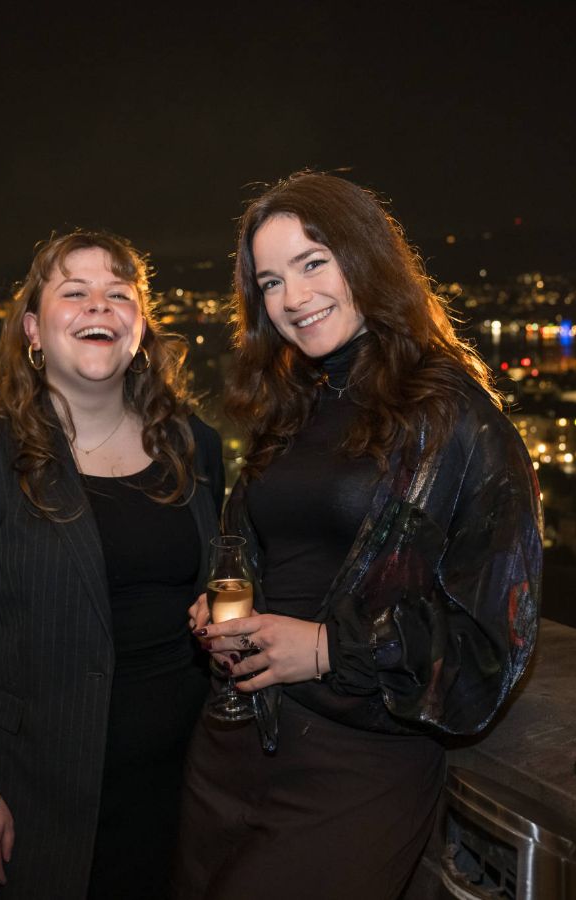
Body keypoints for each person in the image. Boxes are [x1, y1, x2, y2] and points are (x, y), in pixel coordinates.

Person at [177, 172, 541, 899]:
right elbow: (267, 546)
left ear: (365, 257)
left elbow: (494, 643)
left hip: (357, 764)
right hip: (234, 739)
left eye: (313, 263)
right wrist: (222, 606)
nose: (293, 297)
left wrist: (327, 649)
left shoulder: (455, 416)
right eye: (271, 281)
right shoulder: (293, 404)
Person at [0, 231, 224, 898]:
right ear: (33, 329)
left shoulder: (194, 444)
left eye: (119, 294)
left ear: (140, 327)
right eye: (75, 292)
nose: (98, 306)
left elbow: (220, 574)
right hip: (33, 791)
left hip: (180, 783)